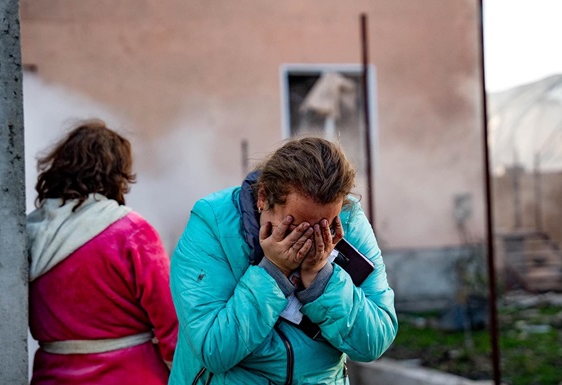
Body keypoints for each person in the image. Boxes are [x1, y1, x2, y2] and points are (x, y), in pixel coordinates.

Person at [169, 136, 397, 384]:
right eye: (295, 229)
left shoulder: (348, 218)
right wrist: (273, 273)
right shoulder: (212, 222)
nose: (309, 243)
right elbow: (213, 350)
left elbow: (375, 341)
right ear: (263, 197)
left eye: (324, 229)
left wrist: (322, 278)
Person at [27, 120, 178, 385]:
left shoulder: (30, 232)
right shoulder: (132, 232)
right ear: (116, 173)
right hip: (132, 376)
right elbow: (170, 322)